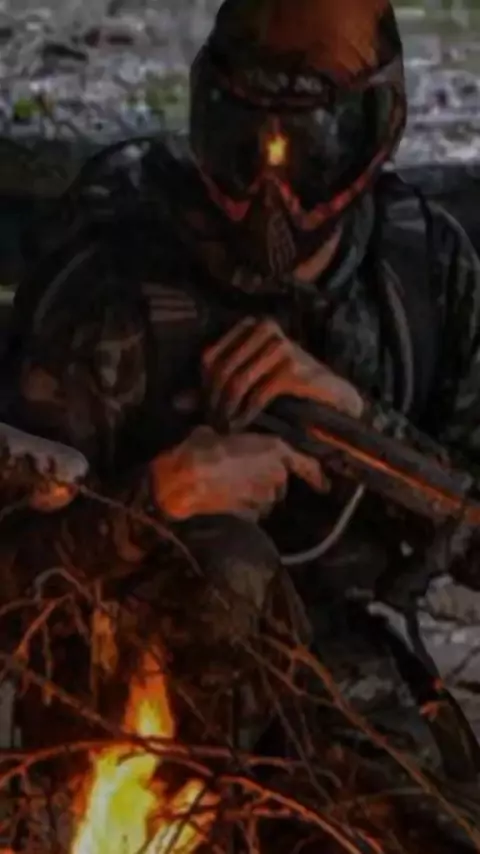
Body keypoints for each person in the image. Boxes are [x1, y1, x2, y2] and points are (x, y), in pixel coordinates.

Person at [5, 0, 480, 756]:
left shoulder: (423, 274)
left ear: (377, 128)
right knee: (227, 563)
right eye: (241, 140)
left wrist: (359, 428)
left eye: (311, 145)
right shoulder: (111, 284)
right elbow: (14, 575)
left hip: (348, 711)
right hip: (131, 722)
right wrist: (153, 503)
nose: (270, 191)